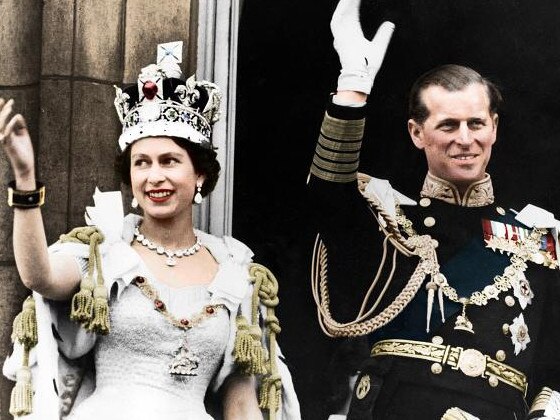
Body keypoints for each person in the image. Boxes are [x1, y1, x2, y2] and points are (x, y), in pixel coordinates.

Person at [1, 45, 300, 420]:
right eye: (141, 163)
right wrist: (25, 179)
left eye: (169, 161)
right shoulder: (104, 252)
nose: (154, 176)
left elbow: (240, 404)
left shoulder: (235, 269)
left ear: (201, 176)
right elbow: (39, 276)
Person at [307, 0, 560, 418]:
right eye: (448, 125)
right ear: (416, 132)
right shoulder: (388, 219)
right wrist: (352, 88)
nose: (465, 139)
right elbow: (325, 200)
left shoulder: (539, 239)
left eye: (476, 123)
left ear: (494, 127)